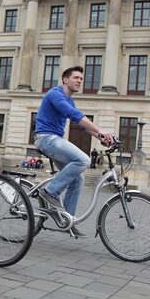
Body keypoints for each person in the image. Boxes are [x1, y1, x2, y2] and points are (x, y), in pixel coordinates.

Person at [34, 66, 114, 237]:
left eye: (81, 79)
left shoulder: (69, 99)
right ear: (65, 80)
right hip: (46, 138)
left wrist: (101, 137)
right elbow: (74, 114)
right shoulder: (55, 94)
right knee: (84, 160)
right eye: (76, 78)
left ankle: (67, 220)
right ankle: (50, 191)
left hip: (55, 140)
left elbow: (80, 123)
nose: (79, 81)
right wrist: (101, 130)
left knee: (78, 179)